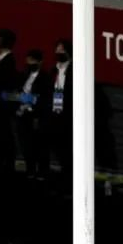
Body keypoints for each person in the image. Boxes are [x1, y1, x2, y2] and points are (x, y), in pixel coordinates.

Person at [0, 29, 18, 180]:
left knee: (2, 141)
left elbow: (4, 88)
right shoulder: (1, 61)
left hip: (0, 110)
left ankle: (4, 172)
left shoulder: (8, 62)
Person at [17, 49, 51, 181]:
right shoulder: (23, 75)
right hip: (23, 115)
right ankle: (30, 170)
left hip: (37, 116)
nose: (29, 63)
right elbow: (17, 92)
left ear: (40, 62)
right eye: (28, 60)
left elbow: (46, 98)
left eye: (32, 60)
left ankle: (42, 172)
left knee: (40, 146)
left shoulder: (45, 78)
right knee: (26, 145)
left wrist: (33, 101)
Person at [49, 39, 73, 190]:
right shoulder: (53, 71)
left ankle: (69, 182)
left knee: (68, 151)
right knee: (57, 149)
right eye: (57, 50)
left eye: (61, 50)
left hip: (68, 116)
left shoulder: (75, 70)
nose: (58, 53)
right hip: (54, 114)